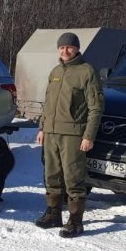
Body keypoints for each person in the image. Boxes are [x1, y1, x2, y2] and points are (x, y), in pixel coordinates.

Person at [35, 32, 105, 238]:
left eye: (69, 47)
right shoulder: (55, 71)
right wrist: (42, 128)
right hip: (51, 133)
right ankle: (53, 214)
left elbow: (96, 107)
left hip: (73, 135)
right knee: (51, 176)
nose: (65, 51)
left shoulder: (86, 71)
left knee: (73, 178)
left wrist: (89, 135)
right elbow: (48, 104)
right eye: (61, 48)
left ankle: (75, 221)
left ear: (76, 48)